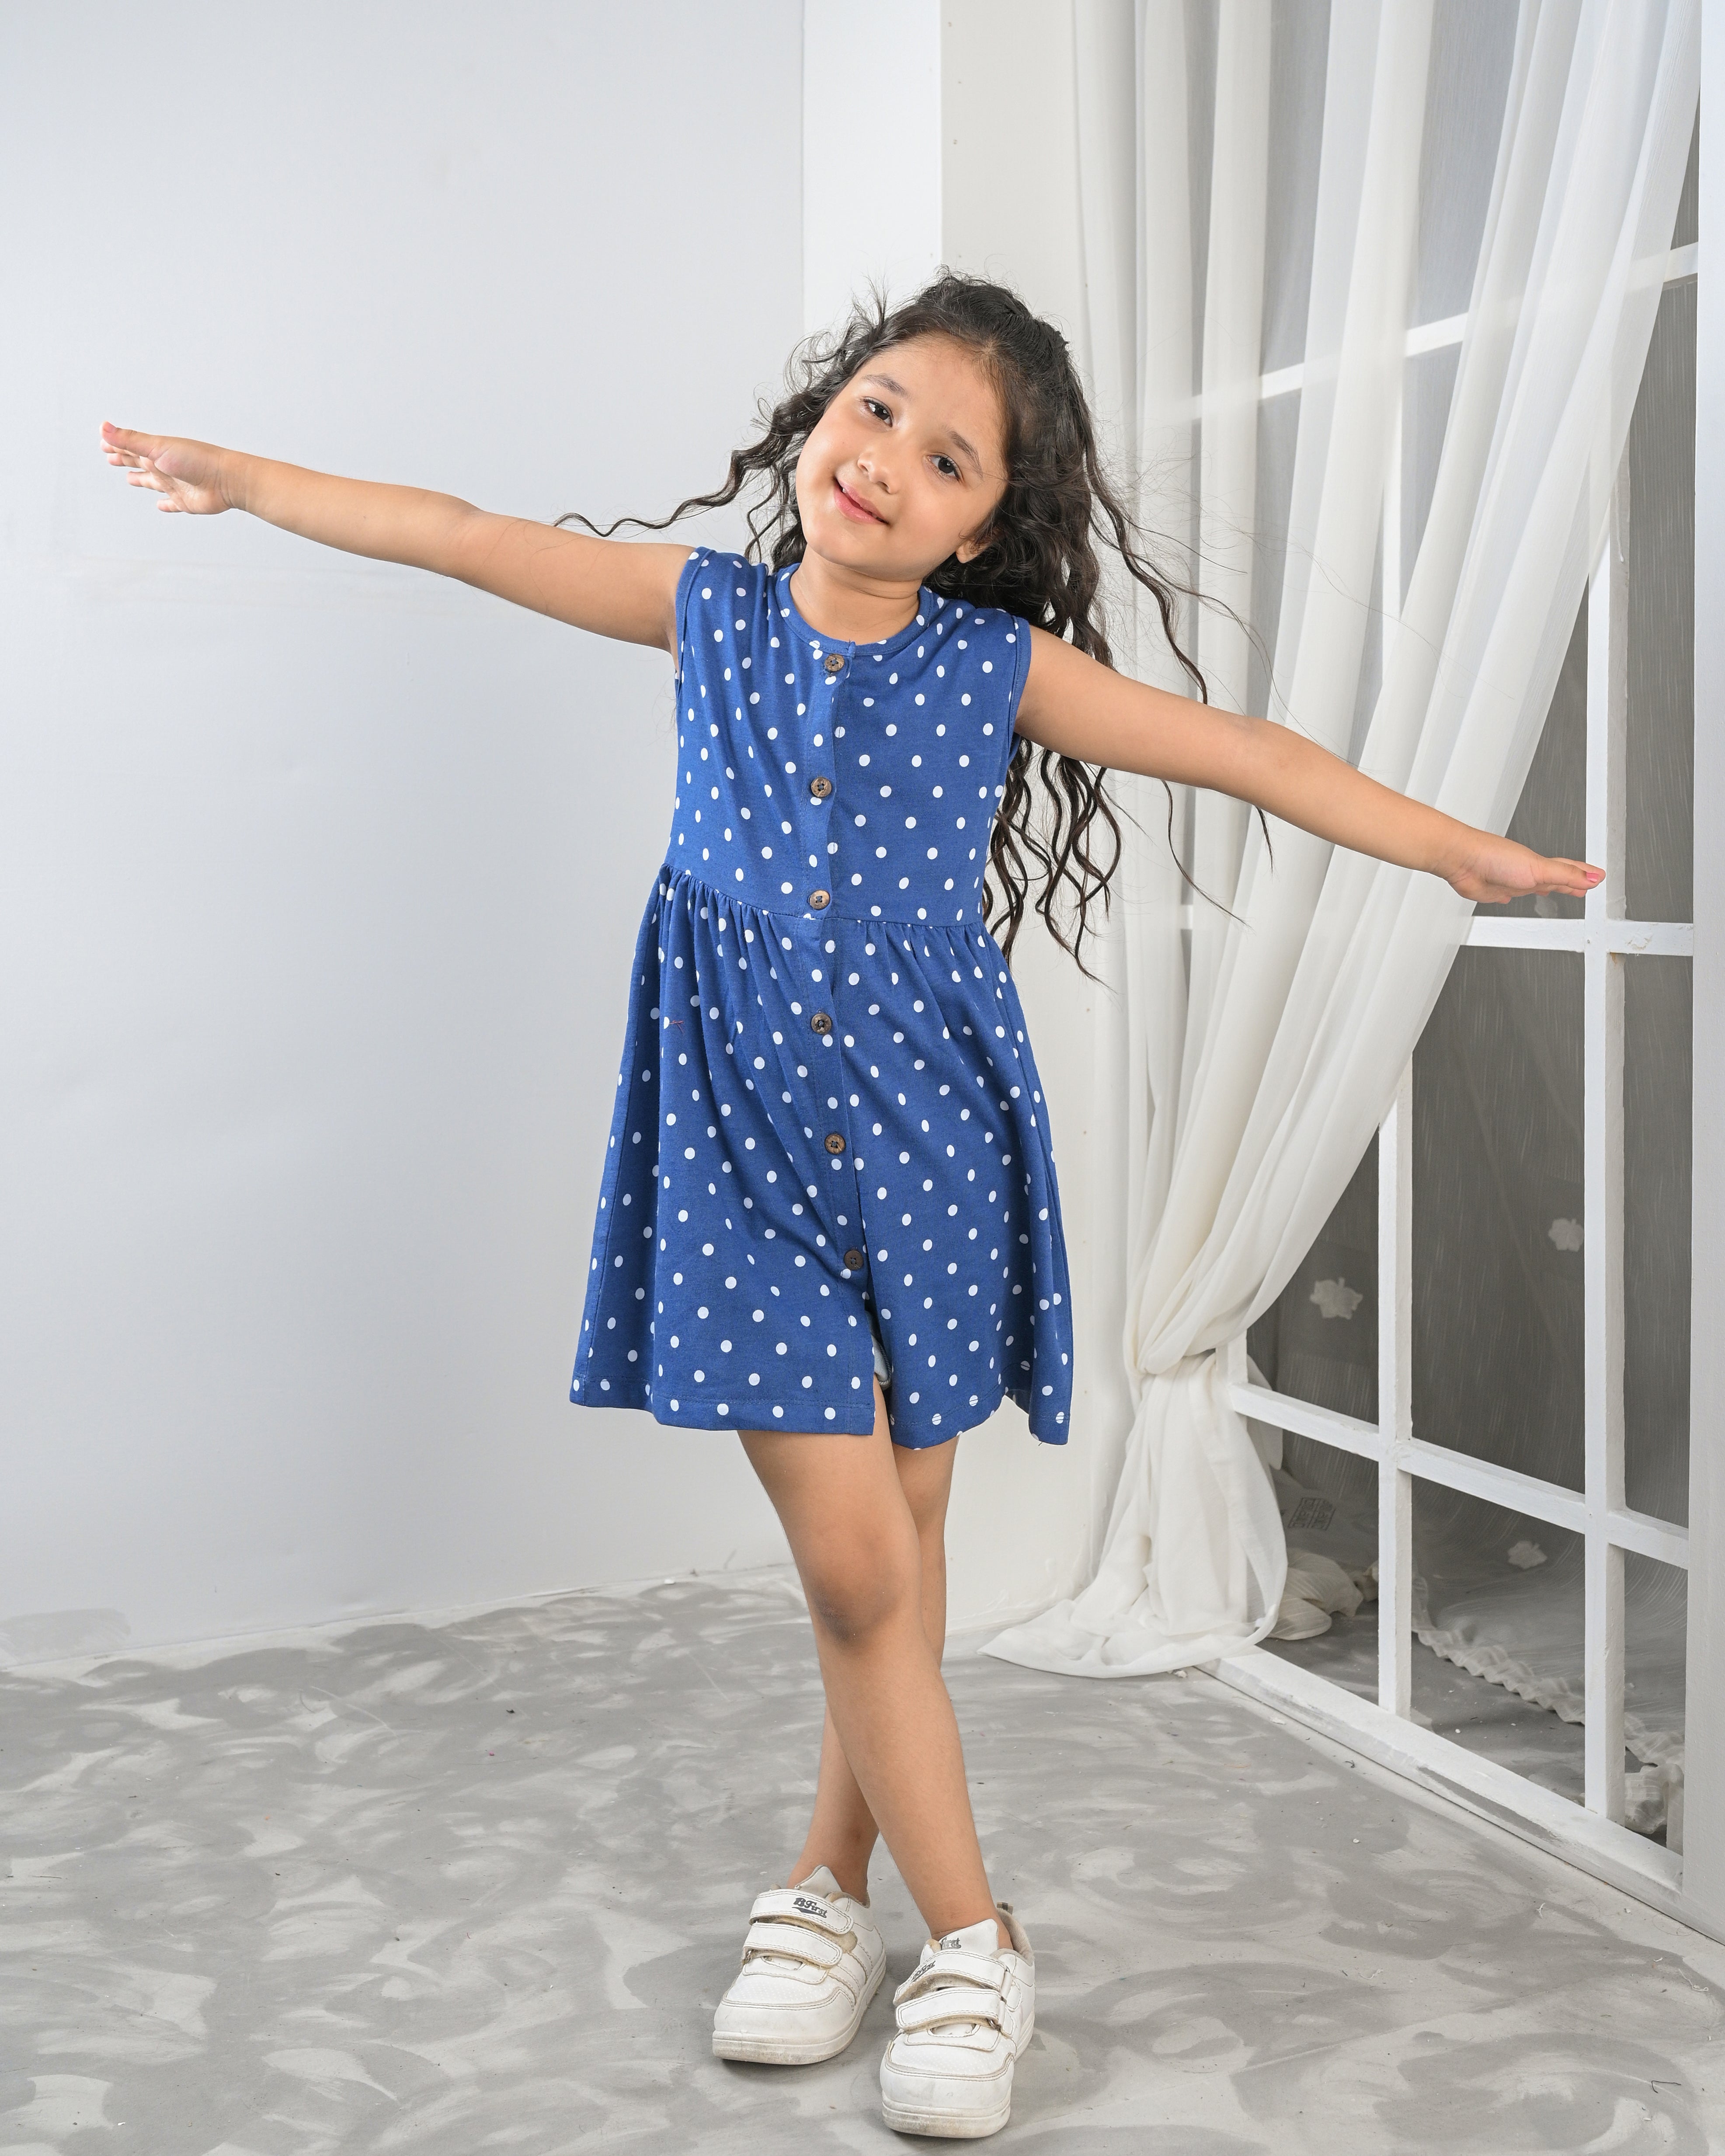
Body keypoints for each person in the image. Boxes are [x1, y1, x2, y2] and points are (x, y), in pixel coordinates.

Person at [99, 270, 1601, 2141]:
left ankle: (824, 1894)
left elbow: (1249, 760)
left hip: (932, 1137)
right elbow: (467, 539)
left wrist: (1460, 845)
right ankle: (978, 1932)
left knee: (890, 1544)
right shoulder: (707, 613)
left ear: (991, 524)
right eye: (879, 407)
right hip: (732, 1135)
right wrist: (239, 475)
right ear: (826, 409)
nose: (890, 458)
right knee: (860, 1569)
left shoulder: (995, 673)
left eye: (949, 455)